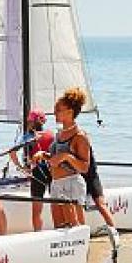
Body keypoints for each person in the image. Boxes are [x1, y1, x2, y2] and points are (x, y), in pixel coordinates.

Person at [42, 88, 94, 230]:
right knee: (59, 229)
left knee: (76, 229)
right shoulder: (59, 134)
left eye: (58, 110)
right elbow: (56, 160)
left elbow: (84, 167)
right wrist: (43, 155)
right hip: (56, 183)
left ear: (70, 112)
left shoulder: (80, 136)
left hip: (71, 183)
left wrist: (66, 156)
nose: (54, 113)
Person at [11, 109, 54, 228]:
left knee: (36, 210)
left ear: (32, 122)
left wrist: (21, 167)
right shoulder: (51, 135)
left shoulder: (28, 137)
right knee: (56, 204)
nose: (28, 123)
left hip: (37, 172)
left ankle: (38, 233)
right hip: (52, 171)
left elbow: (12, 152)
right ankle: (59, 229)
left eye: (29, 121)